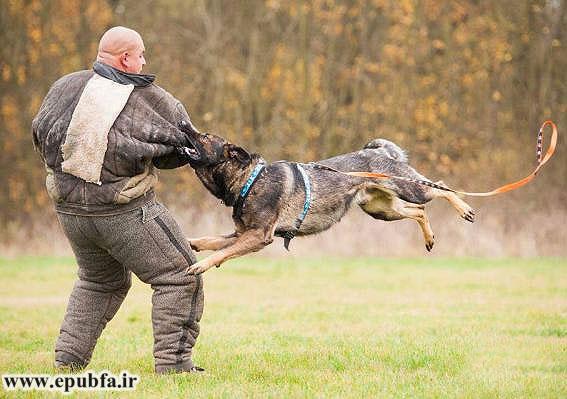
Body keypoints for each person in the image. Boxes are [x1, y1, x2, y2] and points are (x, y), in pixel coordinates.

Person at [32, 26, 204, 374]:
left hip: (70, 212)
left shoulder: (63, 87)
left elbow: (39, 134)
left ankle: (67, 362)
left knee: (100, 281)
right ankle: (174, 366)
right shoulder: (148, 98)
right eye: (141, 54)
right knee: (181, 274)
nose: (145, 60)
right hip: (122, 211)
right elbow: (185, 150)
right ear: (126, 58)